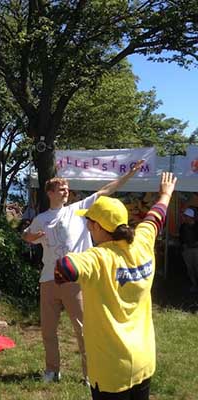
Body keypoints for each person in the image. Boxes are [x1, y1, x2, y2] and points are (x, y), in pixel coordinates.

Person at [55, 172, 177, 399]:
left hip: (111, 367)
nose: (89, 228)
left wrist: (60, 270)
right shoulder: (142, 241)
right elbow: (156, 216)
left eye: (90, 224)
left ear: (100, 228)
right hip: (144, 358)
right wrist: (166, 194)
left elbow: (65, 268)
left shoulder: (98, 257)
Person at [21, 160, 144, 384]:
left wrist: (131, 173)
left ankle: (90, 374)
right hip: (48, 279)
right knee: (48, 330)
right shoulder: (42, 218)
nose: (66, 191)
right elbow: (26, 235)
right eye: (61, 189)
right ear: (50, 193)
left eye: (67, 188)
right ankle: (52, 371)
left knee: (84, 330)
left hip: (75, 279)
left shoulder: (77, 210)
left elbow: (107, 189)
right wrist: (31, 238)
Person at [179, 207, 198, 293]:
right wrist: (183, 246)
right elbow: (181, 238)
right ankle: (194, 285)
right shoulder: (183, 226)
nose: (184, 217)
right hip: (187, 251)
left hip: (196, 250)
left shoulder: (197, 226)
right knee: (190, 269)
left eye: (186, 216)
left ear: (191, 217)